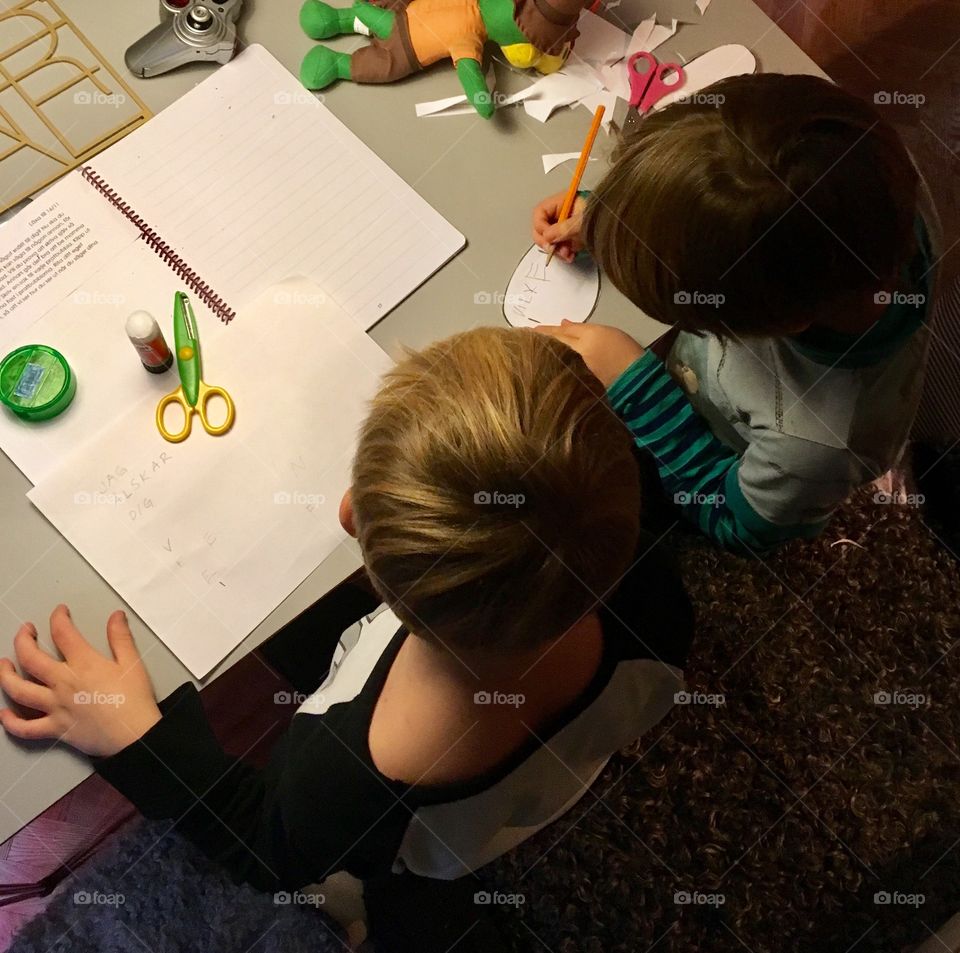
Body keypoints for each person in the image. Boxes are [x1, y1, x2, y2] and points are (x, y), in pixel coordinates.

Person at [0, 329, 693, 907]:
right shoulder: (651, 585)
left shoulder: (343, 779)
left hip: (430, 851)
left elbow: (263, 842)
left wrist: (136, 739)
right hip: (571, 759)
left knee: (391, 893)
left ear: (350, 519)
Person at [533, 73, 939, 554]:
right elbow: (749, 201)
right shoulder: (869, 181)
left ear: (770, 326)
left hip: (707, 452)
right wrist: (616, 215)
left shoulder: (813, 446)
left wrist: (637, 388)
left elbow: (738, 526)